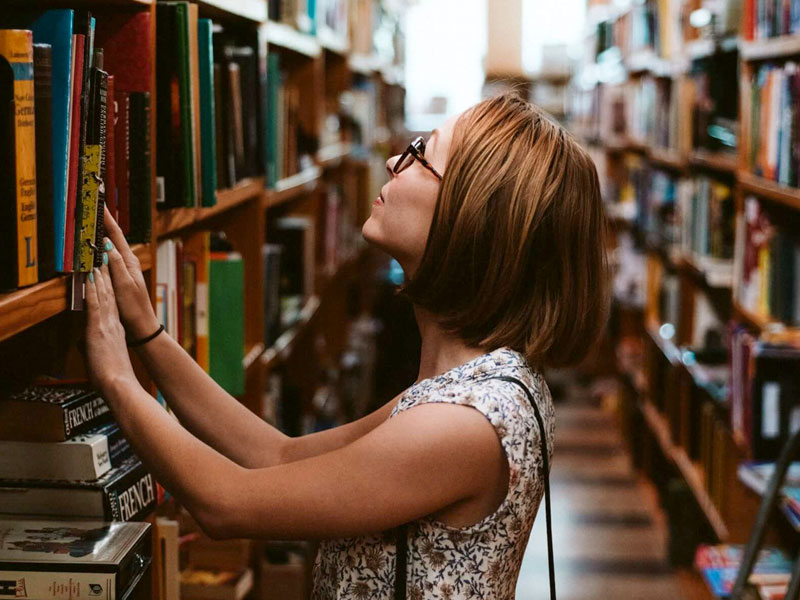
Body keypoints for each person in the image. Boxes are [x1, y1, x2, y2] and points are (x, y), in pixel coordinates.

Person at [85, 92, 609, 599]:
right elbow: (273, 454)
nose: (391, 161)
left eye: (419, 155)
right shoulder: (466, 389)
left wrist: (115, 377)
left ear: (471, 217)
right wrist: (148, 335)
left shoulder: (463, 422)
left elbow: (224, 504)